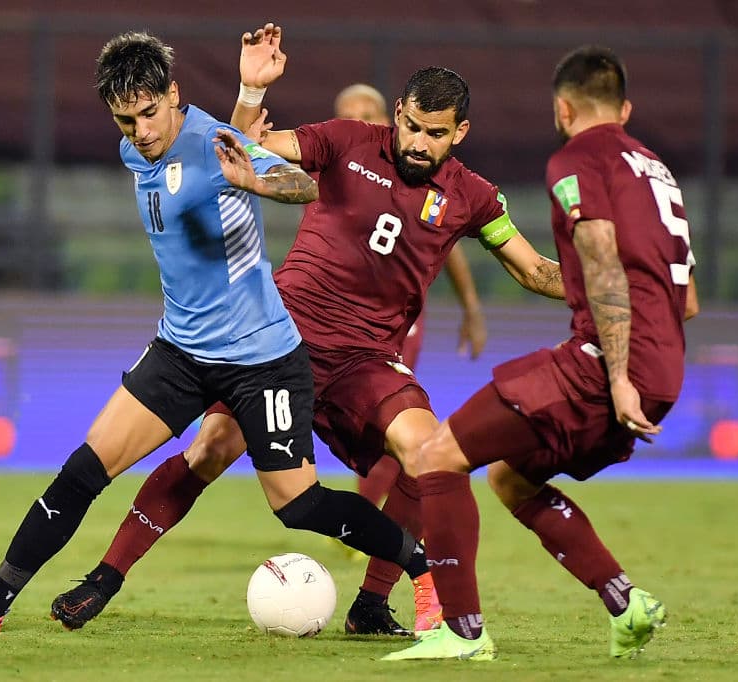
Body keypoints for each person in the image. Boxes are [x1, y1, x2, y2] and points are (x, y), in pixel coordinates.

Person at [0, 30, 438, 636]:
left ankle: (420, 569)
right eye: (125, 118)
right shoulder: (136, 150)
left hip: (263, 358)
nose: (140, 131)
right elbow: (180, 154)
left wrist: (259, 182)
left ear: (175, 95)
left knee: (299, 506)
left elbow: (303, 185)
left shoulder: (214, 143)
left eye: (150, 113)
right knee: (84, 469)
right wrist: (243, 99)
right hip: (181, 351)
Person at [47, 24, 563, 638]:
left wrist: (613, 282)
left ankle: (374, 604)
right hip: (278, 340)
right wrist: (253, 97)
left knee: (430, 454)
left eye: (436, 134)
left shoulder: (475, 198)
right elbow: (255, 146)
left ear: (460, 134)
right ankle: (105, 577)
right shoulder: (344, 139)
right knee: (210, 450)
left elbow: (534, 270)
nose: (419, 143)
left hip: (368, 359)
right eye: (412, 126)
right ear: (398, 114)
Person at [384, 45, 700, 662]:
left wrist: (617, 375)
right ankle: (625, 601)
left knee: (437, 456)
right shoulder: (657, 170)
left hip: (608, 366)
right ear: (624, 108)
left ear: (562, 107)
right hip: (665, 369)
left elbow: (604, 265)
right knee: (509, 477)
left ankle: (463, 631)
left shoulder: (577, 158)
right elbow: (683, 298)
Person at [331, 82, 487, 518]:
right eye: (349, 116)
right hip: (327, 319)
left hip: (390, 322)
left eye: (367, 114)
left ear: (390, 118)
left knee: (390, 417)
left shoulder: (421, 178)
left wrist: (471, 308)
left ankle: (365, 515)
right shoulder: (335, 160)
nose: (359, 123)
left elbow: (450, 243)